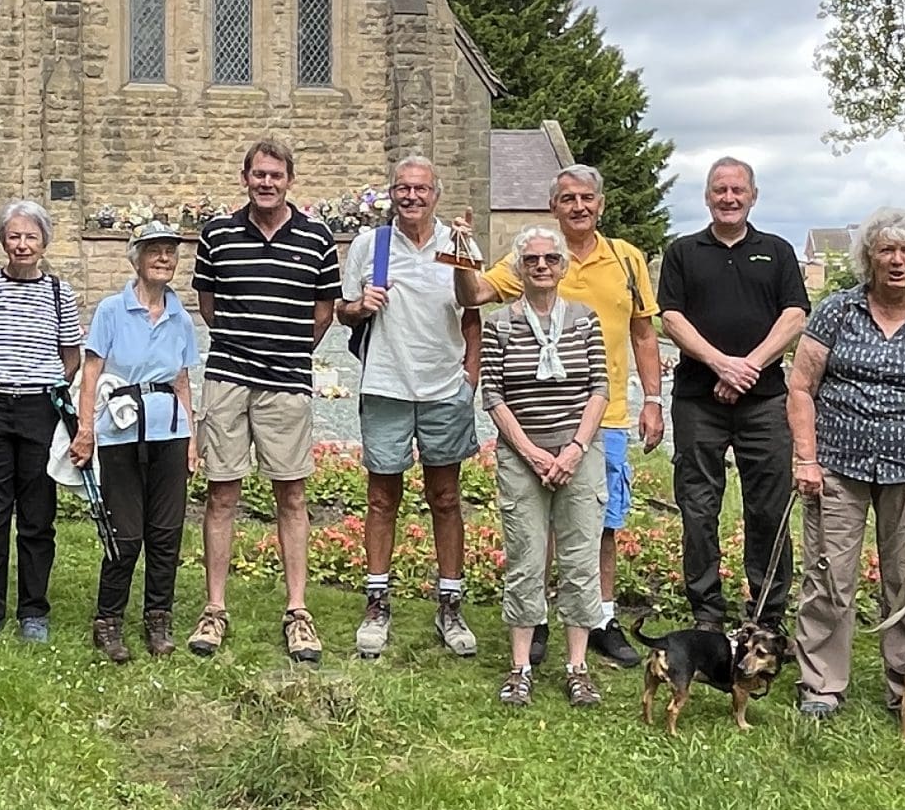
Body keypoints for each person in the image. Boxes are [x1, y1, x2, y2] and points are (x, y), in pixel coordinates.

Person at [456, 162, 665, 667]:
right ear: (554, 206)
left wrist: (653, 400)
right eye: (568, 198)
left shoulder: (627, 259)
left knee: (600, 525)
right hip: (538, 419)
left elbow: (643, 332)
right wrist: (461, 250)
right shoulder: (533, 254)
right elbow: (475, 295)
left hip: (603, 414)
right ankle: (542, 619)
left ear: (601, 205)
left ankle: (602, 618)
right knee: (542, 525)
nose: (578, 206)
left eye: (586, 198)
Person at [785, 208, 905, 718]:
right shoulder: (837, 312)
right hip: (837, 466)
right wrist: (806, 459)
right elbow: (800, 387)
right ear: (869, 257)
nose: (896, 260)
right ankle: (821, 684)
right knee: (828, 576)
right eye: (885, 249)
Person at [193, 137, 343, 663]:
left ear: (289, 180)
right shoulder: (217, 235)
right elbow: (208, 304)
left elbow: (323, 312)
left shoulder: (317, 238)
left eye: (276, 175)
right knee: (221, 495)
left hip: (287, 381)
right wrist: (242, 344)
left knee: (292, 496)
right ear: (245, 178)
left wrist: (287, 350)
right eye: (258, 174)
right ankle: (214, 609)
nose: (266, 182)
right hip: (228, 378)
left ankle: (298, 611)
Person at [657, 157, 811, 636]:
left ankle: (767, 615)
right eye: (720, 190)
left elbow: (795, 315)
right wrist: (720, 363)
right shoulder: (683, 252)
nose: (729, 198)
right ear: (707, 197)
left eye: (737, 190)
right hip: (697, 400)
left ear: (753, 196)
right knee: (698, 508)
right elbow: (671, 318)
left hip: (764, 402)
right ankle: (706, 613)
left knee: (768, 509)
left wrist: (747, 367)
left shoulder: (777, 251)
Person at [337, 155, 480, 661]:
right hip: (386, 384)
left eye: (421, 188)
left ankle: (450, 605)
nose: (412, 196)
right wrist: (360, 307)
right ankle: (377, 603)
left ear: (435, 194)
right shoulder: (369, 245)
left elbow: (472, 315)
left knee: (446, 498)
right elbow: (342, 310)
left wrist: (470, 378)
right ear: (391, 193)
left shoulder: (457, 243)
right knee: (382, 499)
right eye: (403, 188)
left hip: (443, 388)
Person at [477, 227, 612, 709]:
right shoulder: (499, 324)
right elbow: (492, 394)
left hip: (579, 454)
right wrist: (531, 453)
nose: (541, 266)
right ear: (518, 267)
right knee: (526, 558)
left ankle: (577, 667)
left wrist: (575, 448)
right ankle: (520, 668)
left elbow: (600, 388)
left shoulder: (584, 319)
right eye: (531, 259)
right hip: (522, 456)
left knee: (580, 560)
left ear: (562, 266)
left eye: (550, 259)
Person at [70, 220, 200, 662]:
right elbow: (91, 373)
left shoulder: (181, 317)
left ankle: (158, 617)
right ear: (137, 258)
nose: (163, 258)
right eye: (154, 250)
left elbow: (182, 380)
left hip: (169, 432)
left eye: (170, 251)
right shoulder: (111, 310)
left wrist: (192, 437)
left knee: (166, 532)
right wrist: (85, 430)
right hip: (120, 433)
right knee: (124, 534)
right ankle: (108, 619)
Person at [0, 200, 83, 644]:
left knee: (37, 515)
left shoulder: (59, 293)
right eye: (14, 236)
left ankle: (33, 610)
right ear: (3, 241)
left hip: (39, 410)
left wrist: (45, 386)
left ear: (44, 241)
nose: (22, 244)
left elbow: (72, 356)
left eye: (31, 236)